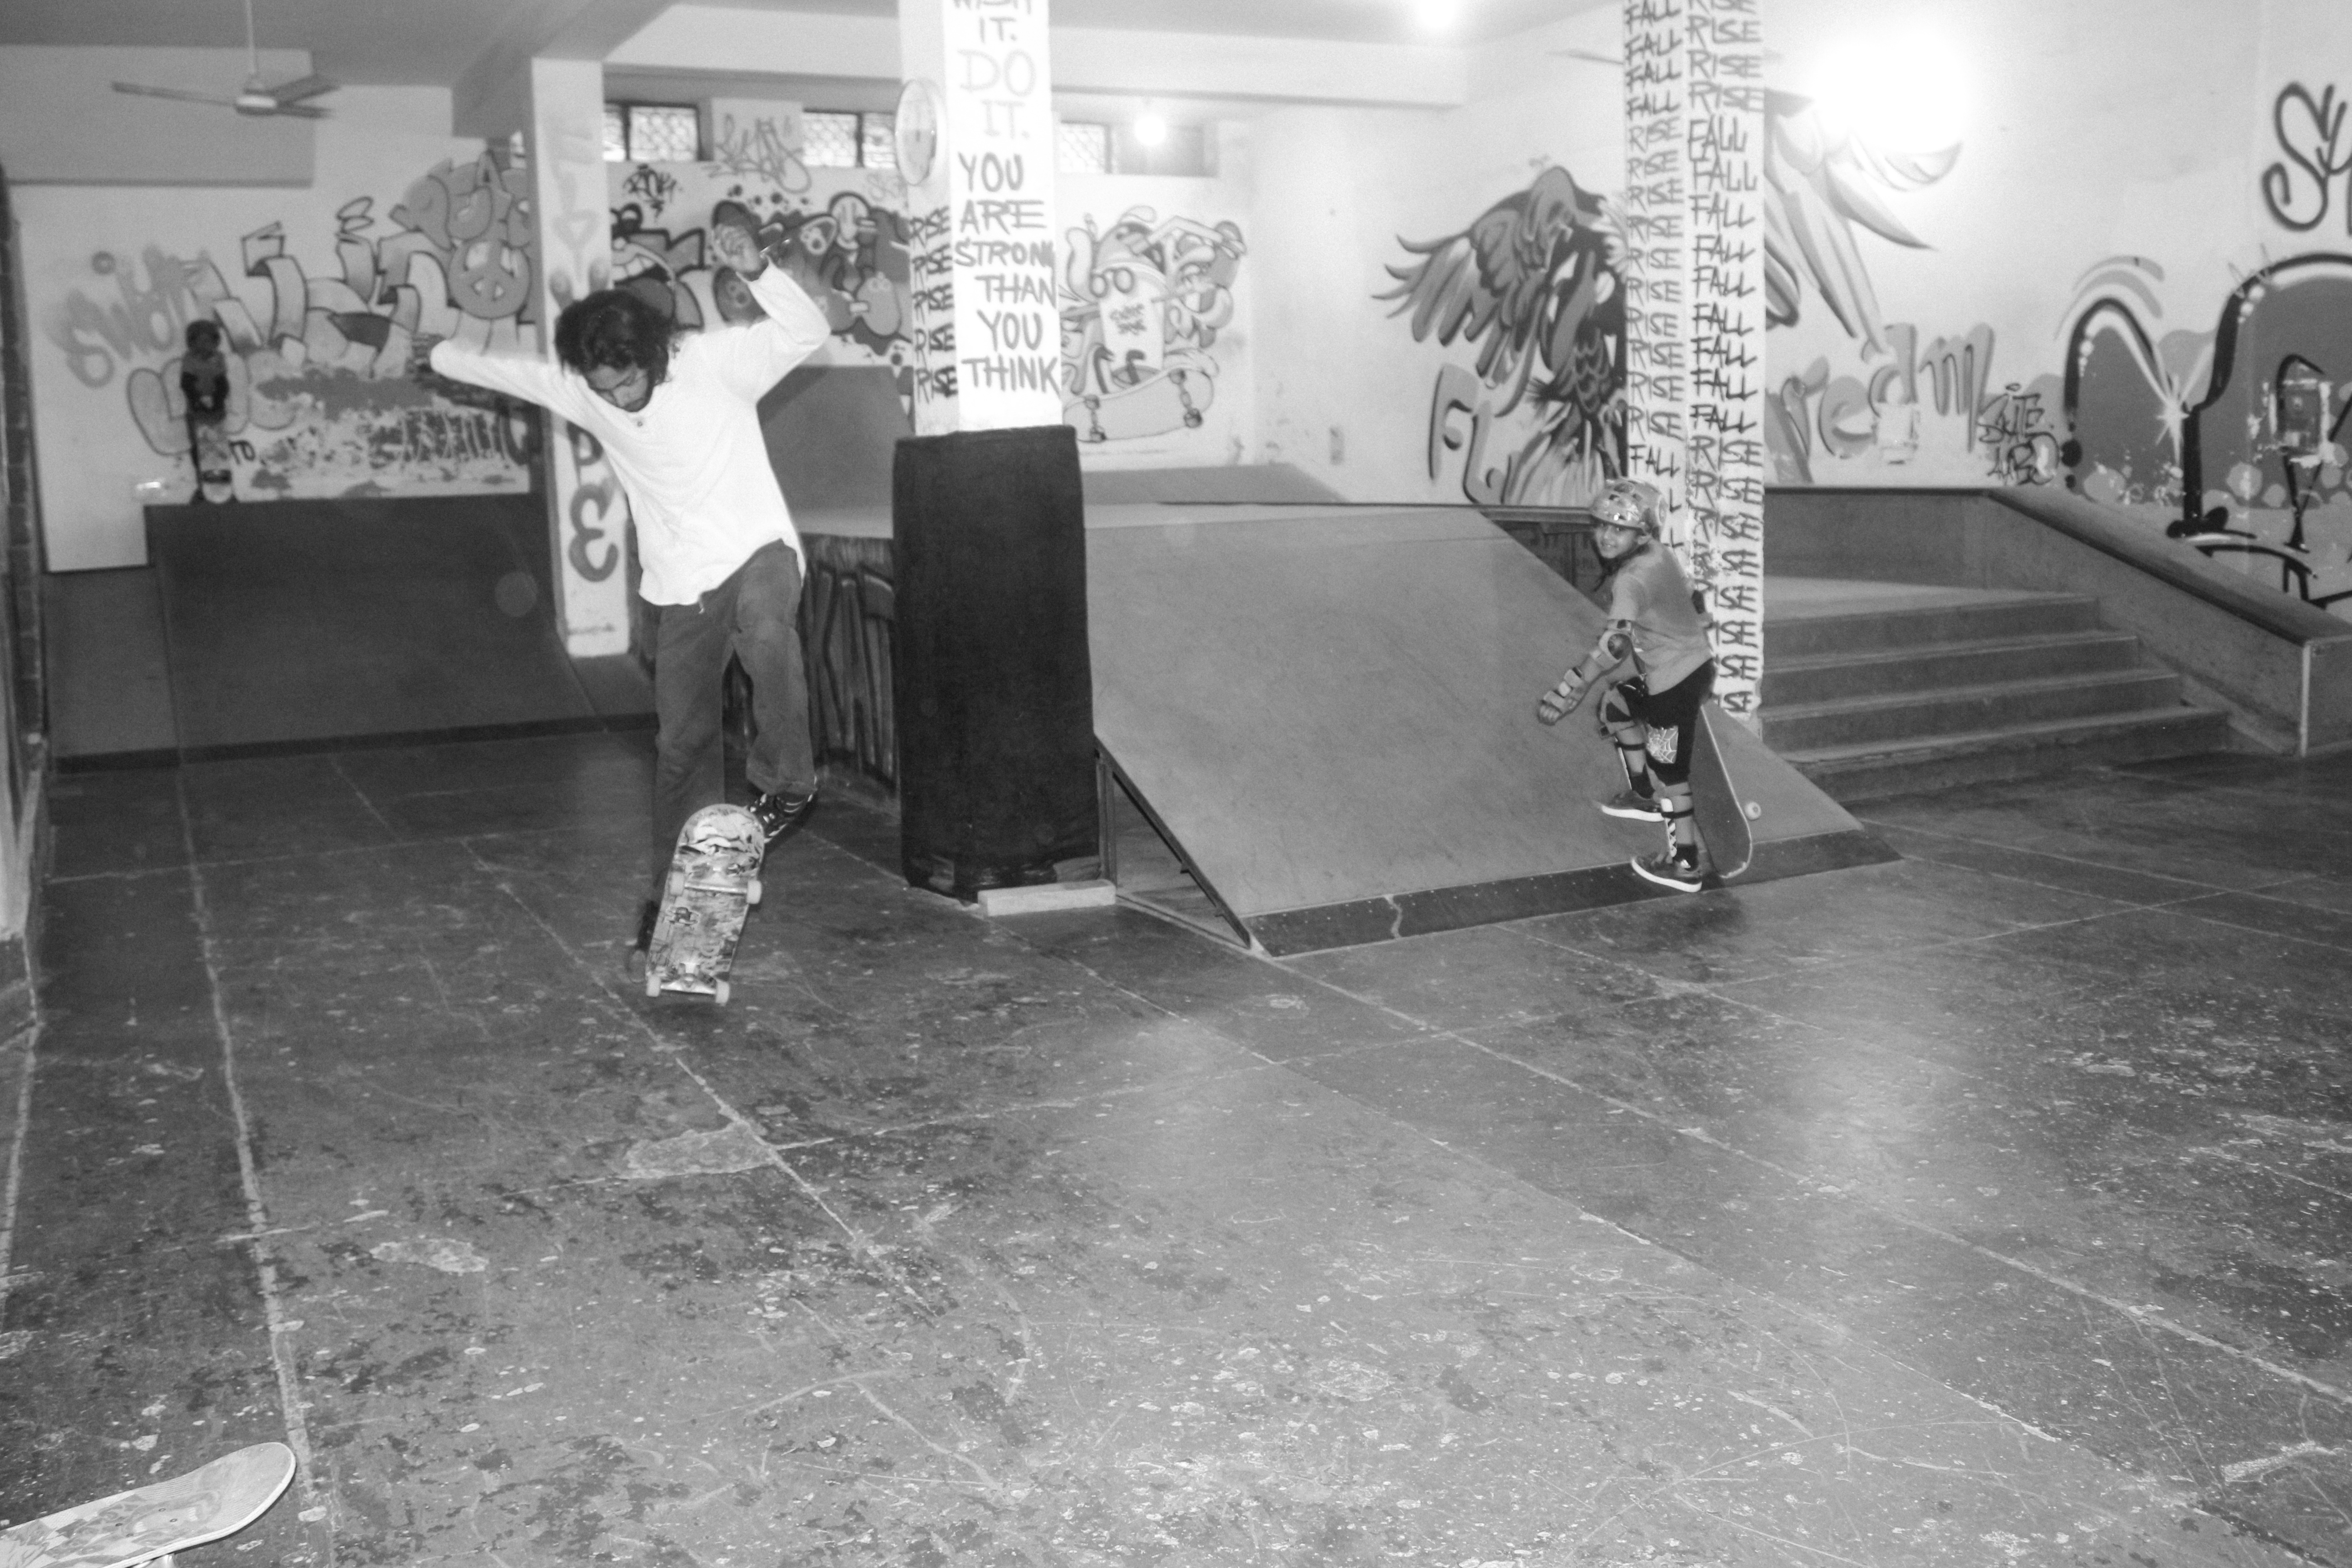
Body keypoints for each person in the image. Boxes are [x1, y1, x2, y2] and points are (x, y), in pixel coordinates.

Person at [416, 214, 832, 971]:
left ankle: (784, 786)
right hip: (679, 585)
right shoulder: (591, 392)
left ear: (654, 357)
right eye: (604, 390)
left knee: (767, 630)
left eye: (629, 382)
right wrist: (430, 352)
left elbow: (806, 331)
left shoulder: (715, 364)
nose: (621, 400)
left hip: (757, 552)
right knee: (679, 747)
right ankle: (680, 898)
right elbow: (504, 371)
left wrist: (760, 272)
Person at [1535, 478, 1718, 893]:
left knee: (1671, 771)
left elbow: (1614, 644)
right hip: (1690, 669)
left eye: (1619, 528)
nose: (1606, 535)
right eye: (1600, 525)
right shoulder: (1658, 554)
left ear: (1643, 532)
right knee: (1616, 707)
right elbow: (1690, 595)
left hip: (1676, 684)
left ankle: (1685, 865)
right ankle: (1642, 796)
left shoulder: (1631, 580)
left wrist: (1569, 689)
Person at [181, 319, 233, 502]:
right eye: (200, 342)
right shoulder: (190, 358)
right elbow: (186, 383)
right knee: (199, 449)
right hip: (196, 411)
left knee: (218, 449)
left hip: (216, 410)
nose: (205, 346)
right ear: (192, 343)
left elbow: (222, 382)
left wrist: (218, 401)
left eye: (209, 342)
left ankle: (223, 489)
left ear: (215, 342)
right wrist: (197, 401)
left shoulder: (218, 358)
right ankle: (202, 487)